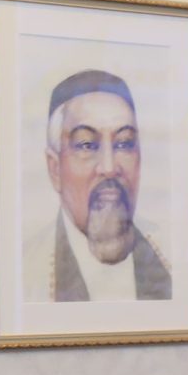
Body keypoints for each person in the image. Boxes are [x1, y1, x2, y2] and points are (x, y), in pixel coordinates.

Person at [24, 69, 172, 302]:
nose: (109, 167)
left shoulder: (172, 254)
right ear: (55, 169)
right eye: (87, 145)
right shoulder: (27, 273)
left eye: (124, 143)